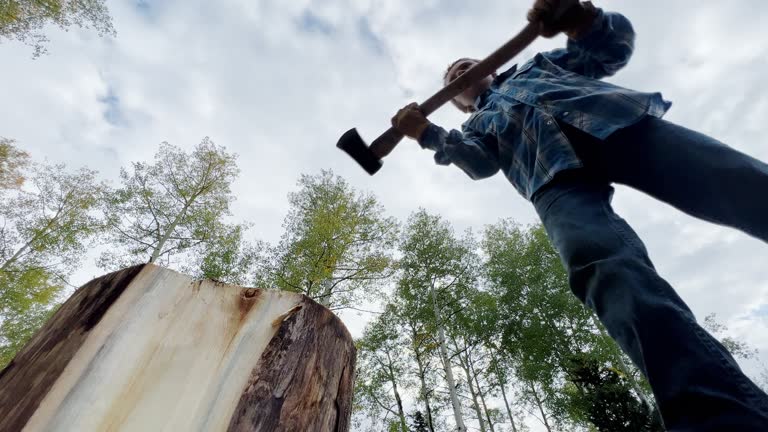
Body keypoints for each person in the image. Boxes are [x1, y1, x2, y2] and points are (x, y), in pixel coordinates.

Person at [390, 0, 768, 430]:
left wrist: (582, 20)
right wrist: (425, 133)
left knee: (737, 181)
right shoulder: (477, 125)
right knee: (610, 276)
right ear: (457, 102)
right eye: (453, 78)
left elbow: (610, 50)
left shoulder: (541, 66)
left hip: (617, 125)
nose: (460, 73)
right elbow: (479, 164)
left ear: (491, 68)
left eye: (467, 65)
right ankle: (724, 419)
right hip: (552, 182)